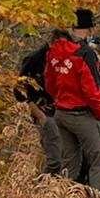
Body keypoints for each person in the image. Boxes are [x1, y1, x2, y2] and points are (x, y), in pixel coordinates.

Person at [44, 8, 100, 193]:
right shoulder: (84, 53)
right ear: (88, 29)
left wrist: (59, 99)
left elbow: (49, 83)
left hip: (61, 113)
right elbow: (92, 89)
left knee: (69, 163)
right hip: (82, 114)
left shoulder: (54, 50)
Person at [14, 36, 63, 175]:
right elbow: (19, 90)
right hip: (43, 111)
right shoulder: (34, 59)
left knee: (67, 156)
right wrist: (38, 113)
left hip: (61, 111)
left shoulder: (64, 60)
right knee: (54, 159)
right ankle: (45, 183)